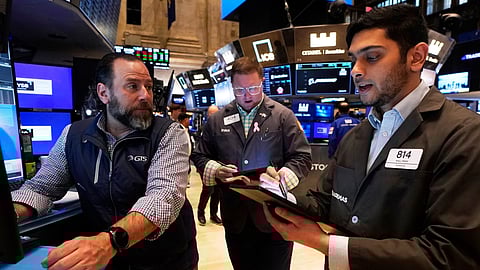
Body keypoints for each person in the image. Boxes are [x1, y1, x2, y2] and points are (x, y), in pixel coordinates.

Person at [262, 4, 480, 269]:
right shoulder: (356, 135)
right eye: (354, 58)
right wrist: (282, 195)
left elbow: (451, 254)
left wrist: (326, 244)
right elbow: (324, 200)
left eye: (372, 57)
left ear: (416, 57)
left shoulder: (464, 135)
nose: (355, 70)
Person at [11, 53, 198, 269]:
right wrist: (10, 216)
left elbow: (163, 197)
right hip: (110, 261)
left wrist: (109, 241)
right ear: (103, 93)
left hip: (165, 260)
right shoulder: (73, 135)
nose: (145, 95)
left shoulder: (169, 133)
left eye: (148, 86)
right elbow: (41, 189)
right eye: (132, 86)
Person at [191, 56, 312, 270]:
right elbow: (200, 155)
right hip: (235, 216)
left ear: (262, 82)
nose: (247, 95)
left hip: (275, 216)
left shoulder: (283, 116)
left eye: (253, 88)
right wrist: (216, 170)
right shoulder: (218, 119)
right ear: (232, 86)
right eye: (240, 90)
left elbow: (302, 157)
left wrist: (281, 178)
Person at [196, 104, 222, 226]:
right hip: (206, 164)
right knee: (207, 189)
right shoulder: (203, 128)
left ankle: (213, 214)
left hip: (219, 164)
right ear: (208, 115)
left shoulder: (222, 126)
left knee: (217, 191)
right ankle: (201, 213)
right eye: (212, 113)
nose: (214, 116)